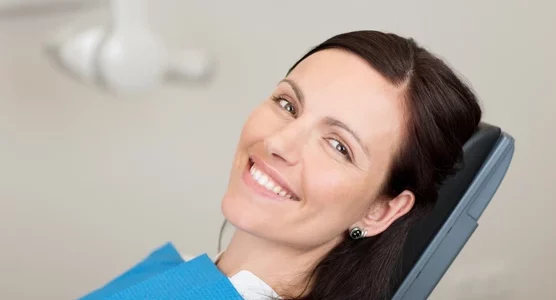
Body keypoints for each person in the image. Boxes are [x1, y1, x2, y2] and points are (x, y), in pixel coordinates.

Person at [81, 30, 482, 300]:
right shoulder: (184, 271)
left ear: (380, 210)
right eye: (288, 104)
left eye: (338, 146)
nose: (278, 143)